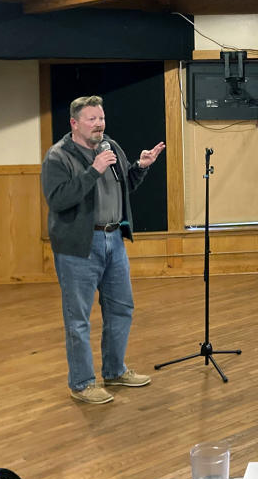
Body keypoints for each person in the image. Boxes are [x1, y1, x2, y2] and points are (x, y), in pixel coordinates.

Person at [41, 95, 165, 404]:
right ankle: (82, 383)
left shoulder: (110, 146)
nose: (99, 124)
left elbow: (124, 187)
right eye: (92, 119)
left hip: (114, 240)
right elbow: (59, 200)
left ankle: (114, 370)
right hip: (78, 247)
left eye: (101, 118)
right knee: (78, 318)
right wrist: (93, 170)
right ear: (74, 123)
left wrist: (141, 167)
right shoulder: (58, 157)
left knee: (121, 308)